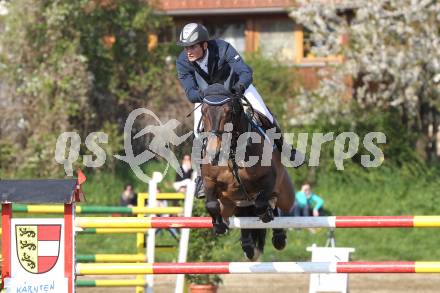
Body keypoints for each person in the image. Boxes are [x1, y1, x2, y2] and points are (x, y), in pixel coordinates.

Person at [175, 23, 301, 198]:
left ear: (204, 45)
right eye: (186, 47)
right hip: (208, 98)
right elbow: (190, 92)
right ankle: (200, 178)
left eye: (192, 46)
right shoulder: (183, 61)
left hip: (236, 88)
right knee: (198, 132)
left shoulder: (223, 48)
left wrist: (239, 88)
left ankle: (285, 149)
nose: (188, 51)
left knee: (263, 113)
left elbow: (245, 72)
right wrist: (207, 94)